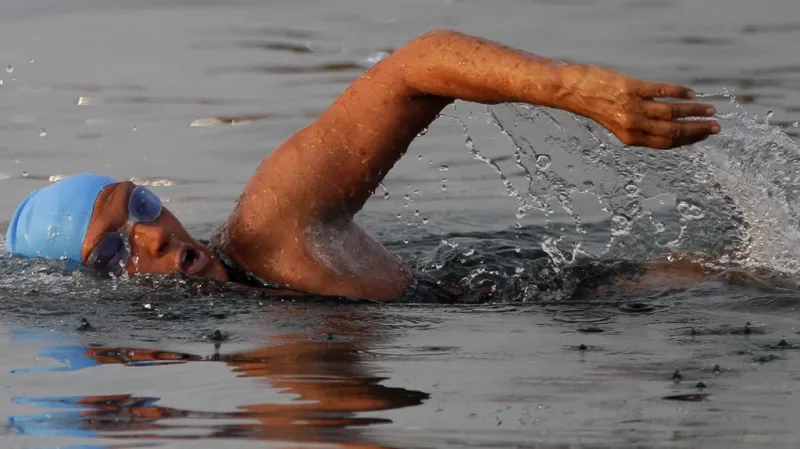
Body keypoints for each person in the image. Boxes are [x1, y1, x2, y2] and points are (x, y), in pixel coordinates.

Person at [3, 29, 720, 302]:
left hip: (615, 301)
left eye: (142, 206)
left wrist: (573, 88)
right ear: (86, 296)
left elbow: (416, 66)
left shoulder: (268, 227)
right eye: (113, 253)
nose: (153, 235)